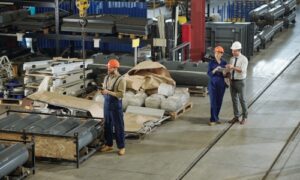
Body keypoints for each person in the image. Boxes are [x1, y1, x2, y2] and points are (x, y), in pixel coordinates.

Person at [100, 59, 126, 155]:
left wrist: (108, 92)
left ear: (115, 68)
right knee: (107, 125)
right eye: (108, 67)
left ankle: (121, 146)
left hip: (115, 105)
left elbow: (121, 95)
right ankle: (109, 145)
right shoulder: (106, 77)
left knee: (118, 126)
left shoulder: (121, 80)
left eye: (110, 68)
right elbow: (105, 88)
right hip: (107, 103)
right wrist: (103, 91)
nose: (108, 69)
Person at [226, 41, 248, 125]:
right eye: (232, 50)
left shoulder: (244, 59)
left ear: (238, 50)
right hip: (233, 81)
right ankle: (236, 116)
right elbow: (230, 70)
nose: (232, 52)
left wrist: (233, 67)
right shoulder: (232, 59)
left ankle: (245, 117)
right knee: (234, 99)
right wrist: (228, 76)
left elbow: (242, 70)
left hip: (240, 81)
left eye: (234, 51)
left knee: (242, 99)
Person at [207, 46, 227, 126]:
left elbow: (226, 74)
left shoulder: (224, 63)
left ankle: (216, 118)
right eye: (215, 52)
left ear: (221, 54)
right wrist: (215, 70)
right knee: (213, 102)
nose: (216, 54)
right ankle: (212, 119)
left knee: (219, 101)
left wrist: (224, 72)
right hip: (213, 84)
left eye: (218, 53)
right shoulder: (211, 63)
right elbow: (209, 74)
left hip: (221, 84)